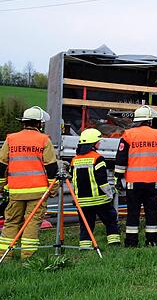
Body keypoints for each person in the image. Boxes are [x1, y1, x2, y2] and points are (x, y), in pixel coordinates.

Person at [0, 106, 59, 259]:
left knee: (11, 222)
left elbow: (2, 166)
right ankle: (27, 257)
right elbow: (51, 167)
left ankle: (5, 256)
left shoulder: (10, 139)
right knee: (32, 223)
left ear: (24, 122)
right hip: (37, 192)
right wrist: (53, 189)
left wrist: (1, 186)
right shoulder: (44, 140)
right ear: (39, 123)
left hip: (15, 191)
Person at [114, 105, 157, 247]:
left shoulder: (128, 135)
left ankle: (131, 242)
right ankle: (152, 241)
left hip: (133, 182)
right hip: (152, 182)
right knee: (151, 212)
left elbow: (121, 160)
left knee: (133, 212)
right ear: (149, 121)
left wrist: (117, 178)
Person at [69, 128, 120, 249]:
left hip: (82, 201)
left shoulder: (74, 160)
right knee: (111, 221)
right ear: (93, 144)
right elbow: (102, 181)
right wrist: (110, 194)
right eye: (98, 141)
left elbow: (73, 180)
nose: (99, 143)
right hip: (100, 200)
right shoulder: (98, 158)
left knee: (86, 225)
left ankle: (85, 247)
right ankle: (114, 245)